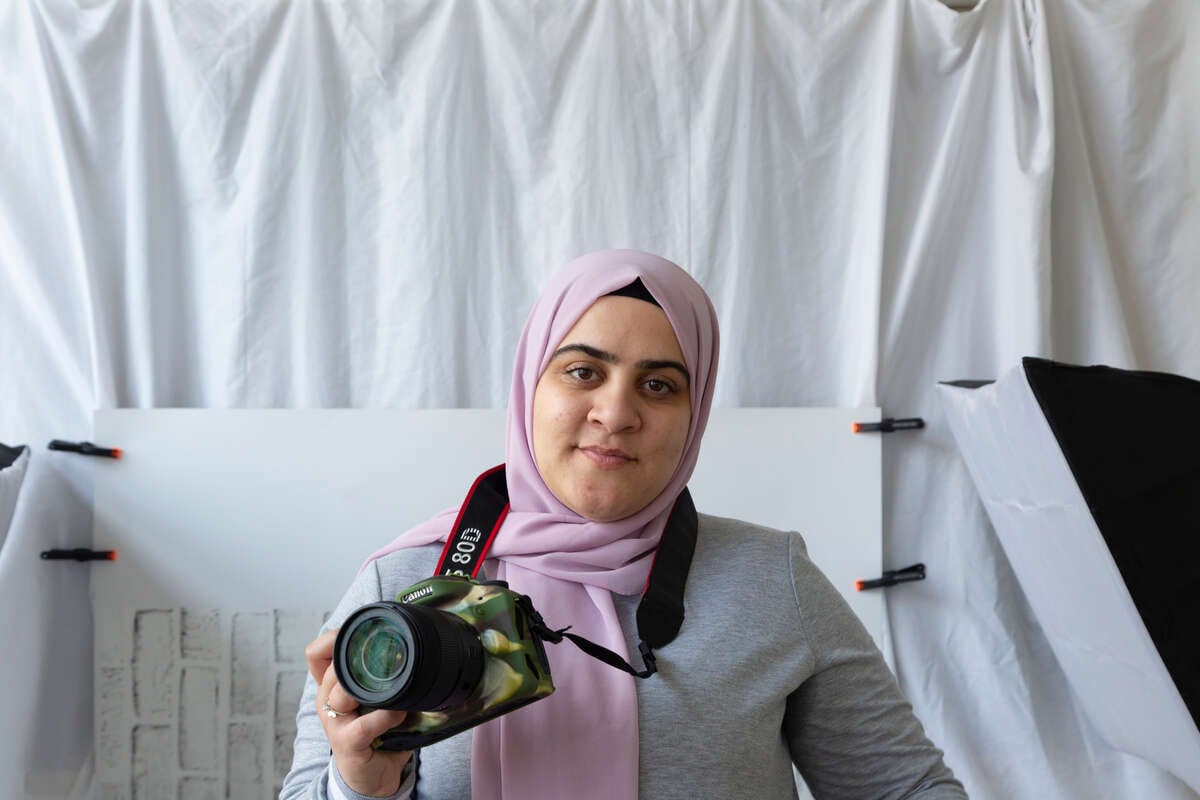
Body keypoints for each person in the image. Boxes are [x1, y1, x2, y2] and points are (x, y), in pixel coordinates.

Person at [280, 250, 967, 800]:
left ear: (695, 415)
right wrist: (359, 787)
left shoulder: (771, 580)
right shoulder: (403, 587)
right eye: (583, 372)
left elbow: (909, 790)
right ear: (529, 387)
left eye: (659, 385)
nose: (615, 413)